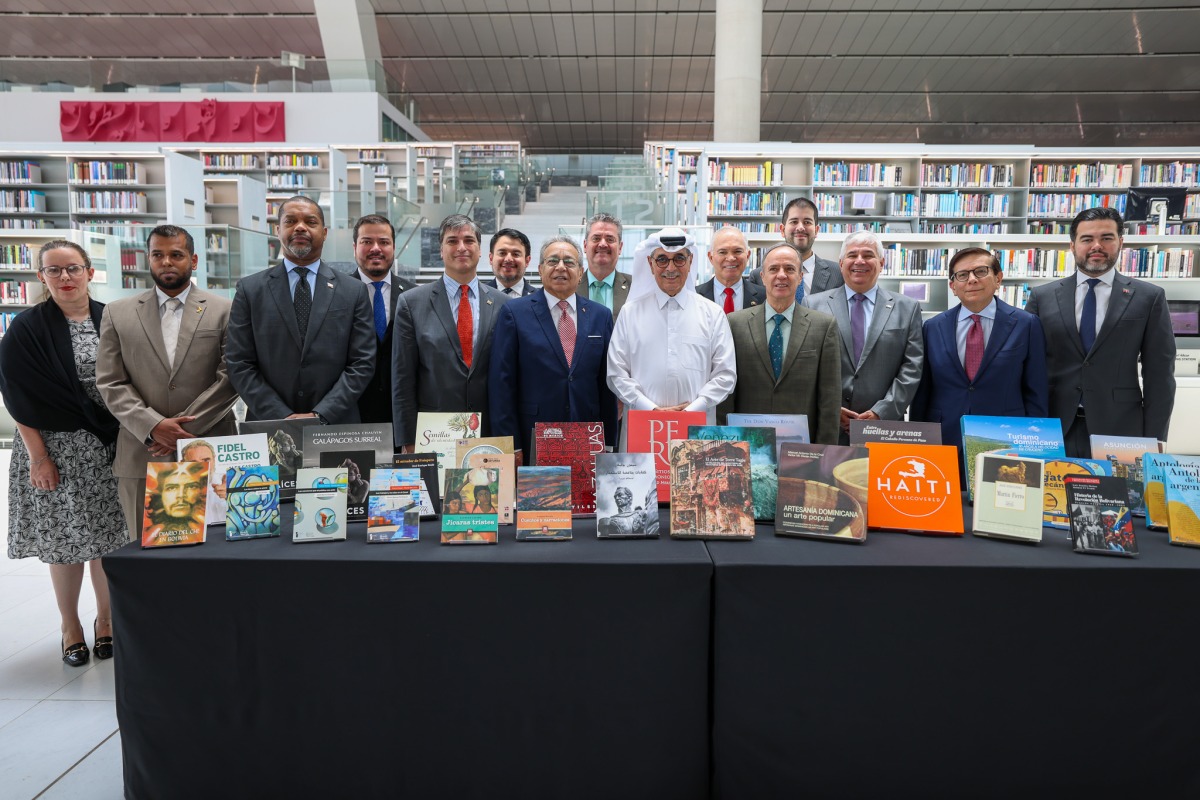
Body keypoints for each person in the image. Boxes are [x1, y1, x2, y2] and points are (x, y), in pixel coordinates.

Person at [0, 240, 126, 667]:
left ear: (90, 271)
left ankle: (105, 622)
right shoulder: (26, 328)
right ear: (41, 277)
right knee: (66, 542)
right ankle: (70, 626)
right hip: (54, 448)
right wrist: (38, 457)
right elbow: (17, 397)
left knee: (108, 541)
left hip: (109, 446)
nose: (65, 278)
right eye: (54, 271)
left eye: (72, 268)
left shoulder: (113, 318)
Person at [97, 224, 238, 540]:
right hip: (142, 451)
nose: (166, 262)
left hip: (209, 448)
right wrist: (153, 426)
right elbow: (110, 380)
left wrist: (184, 433)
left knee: (217, 552)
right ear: (148, 259)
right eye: (158, 255)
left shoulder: (225, 310)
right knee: (148, 556)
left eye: (176, 254)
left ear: (194, 260)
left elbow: (232, 377)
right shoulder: (117, 313)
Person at [1024, 207, 1176, 457]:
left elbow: (1160, 375)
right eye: (1087, 239)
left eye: (1106, 238)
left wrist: (1156, 439)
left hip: (1120, 429)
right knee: (1054, 495)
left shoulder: (1149, 297)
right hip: (1053, 426)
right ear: (1072, 245)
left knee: (1118, 495)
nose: (1097, 245)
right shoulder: (1043, 297)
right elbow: (1027, 365)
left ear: (1120, 243)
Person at [226, 195, 376, 423]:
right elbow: (239, 362)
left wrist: (321, 414)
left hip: (336, 424)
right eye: (290, 221)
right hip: (269, 423)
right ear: (277, 230)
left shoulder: (353, 291)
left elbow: (362, 362)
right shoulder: (250, 290)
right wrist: (281, 415)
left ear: (324, 233)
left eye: (310, 222)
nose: (300, 228)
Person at [489, 235, 618, 460]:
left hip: (587, 437)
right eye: (552, 261)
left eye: (569, 262)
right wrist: (512, 446)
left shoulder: (600, 315)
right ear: (540, 269)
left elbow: (606, 385)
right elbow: (502, 384)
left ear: (580, 272)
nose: (561, 267)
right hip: (534, 437)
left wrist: (608, 444)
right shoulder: (514, 313)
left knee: (586, 496)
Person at [910, 248, 1049, 451]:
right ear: (953, 286)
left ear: (998, 278)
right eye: (962, 275)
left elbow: (1036, 389)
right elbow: (923, 391)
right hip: (944, 435)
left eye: (981, 271)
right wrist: (917, 438)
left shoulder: (1026, 324)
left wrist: (1035, 443)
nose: (972, 280)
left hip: (1005, 437)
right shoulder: (933, 327)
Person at [392, 214, 511, 449]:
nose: (461, 248)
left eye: (469, 240)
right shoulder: (411, 303)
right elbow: (402, 379)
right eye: (452, 241)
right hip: (432, 435)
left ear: (479, 250)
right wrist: (408, 440)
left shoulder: (503, 304)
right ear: (440, 250)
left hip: (489, 433)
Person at [607, 227, 736, 430]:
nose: (670, 268)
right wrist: (650, 410)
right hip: (642, 426)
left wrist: (691, 411)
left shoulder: (712, 313)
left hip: (696, 427)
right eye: (662, 260)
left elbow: (725, 374)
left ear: (690, 261)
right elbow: (616, 373)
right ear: (650, 263)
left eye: (678, 259)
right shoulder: (629, 313)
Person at [806, 231, 923, 444]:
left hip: (884, 428)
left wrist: (882, 411)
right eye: (852, 255)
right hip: (828, 426)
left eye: (868, 255)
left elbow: (912, 367)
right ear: (841, 263)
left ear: (881, 262)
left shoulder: (907, 308)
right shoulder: (812, 305)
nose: (859, 261)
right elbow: (806, 364)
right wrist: (832, 408)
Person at [718, 243, 842, 444]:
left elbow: (830, 400)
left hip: (800, 450)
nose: (781, 275)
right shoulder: (734, 323)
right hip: (747, 447)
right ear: (762, 276)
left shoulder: (824, 326)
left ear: (800, 277)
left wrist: (823, 456)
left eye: (790, 269)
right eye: (774, 269)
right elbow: (726, 394)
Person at [346, 214, 416, 425]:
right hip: (351, 414)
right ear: (354, 247)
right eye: (367, 241)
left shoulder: (413, 296)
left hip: (401, 414)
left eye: (384, 242)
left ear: (393, 247)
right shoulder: (337, 295)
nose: (375, 248)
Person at [748, 198, 844, 301]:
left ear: (816, 230)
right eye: (794, 222)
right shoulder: (758, 276)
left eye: (807, 222)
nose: (800, 227)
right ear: (782, 230)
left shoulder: (838, 273)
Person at [696, 226, 766, 312]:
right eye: (722, 252)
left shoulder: (765, 297)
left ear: (747, 255)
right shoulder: (695, 296)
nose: (730, 258)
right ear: (711, 257)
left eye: (737, 251)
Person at [577, 213, 632, 318]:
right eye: (596, 238)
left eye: (610, 239)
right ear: (585, 245)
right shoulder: (570, 287)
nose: (602, 244)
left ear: (620, 247)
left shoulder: (634, 287)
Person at [142, 462, 206, 540]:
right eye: (172, 488)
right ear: (160, 494)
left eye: (191, 487)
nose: (181, 495)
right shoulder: (149, 536)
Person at [483, 228, 536, 297]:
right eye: (502, 253)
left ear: (527, 261)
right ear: (491, 258)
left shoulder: (541, 299)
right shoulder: (479, 296)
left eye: (516, 254)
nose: (508, 259)